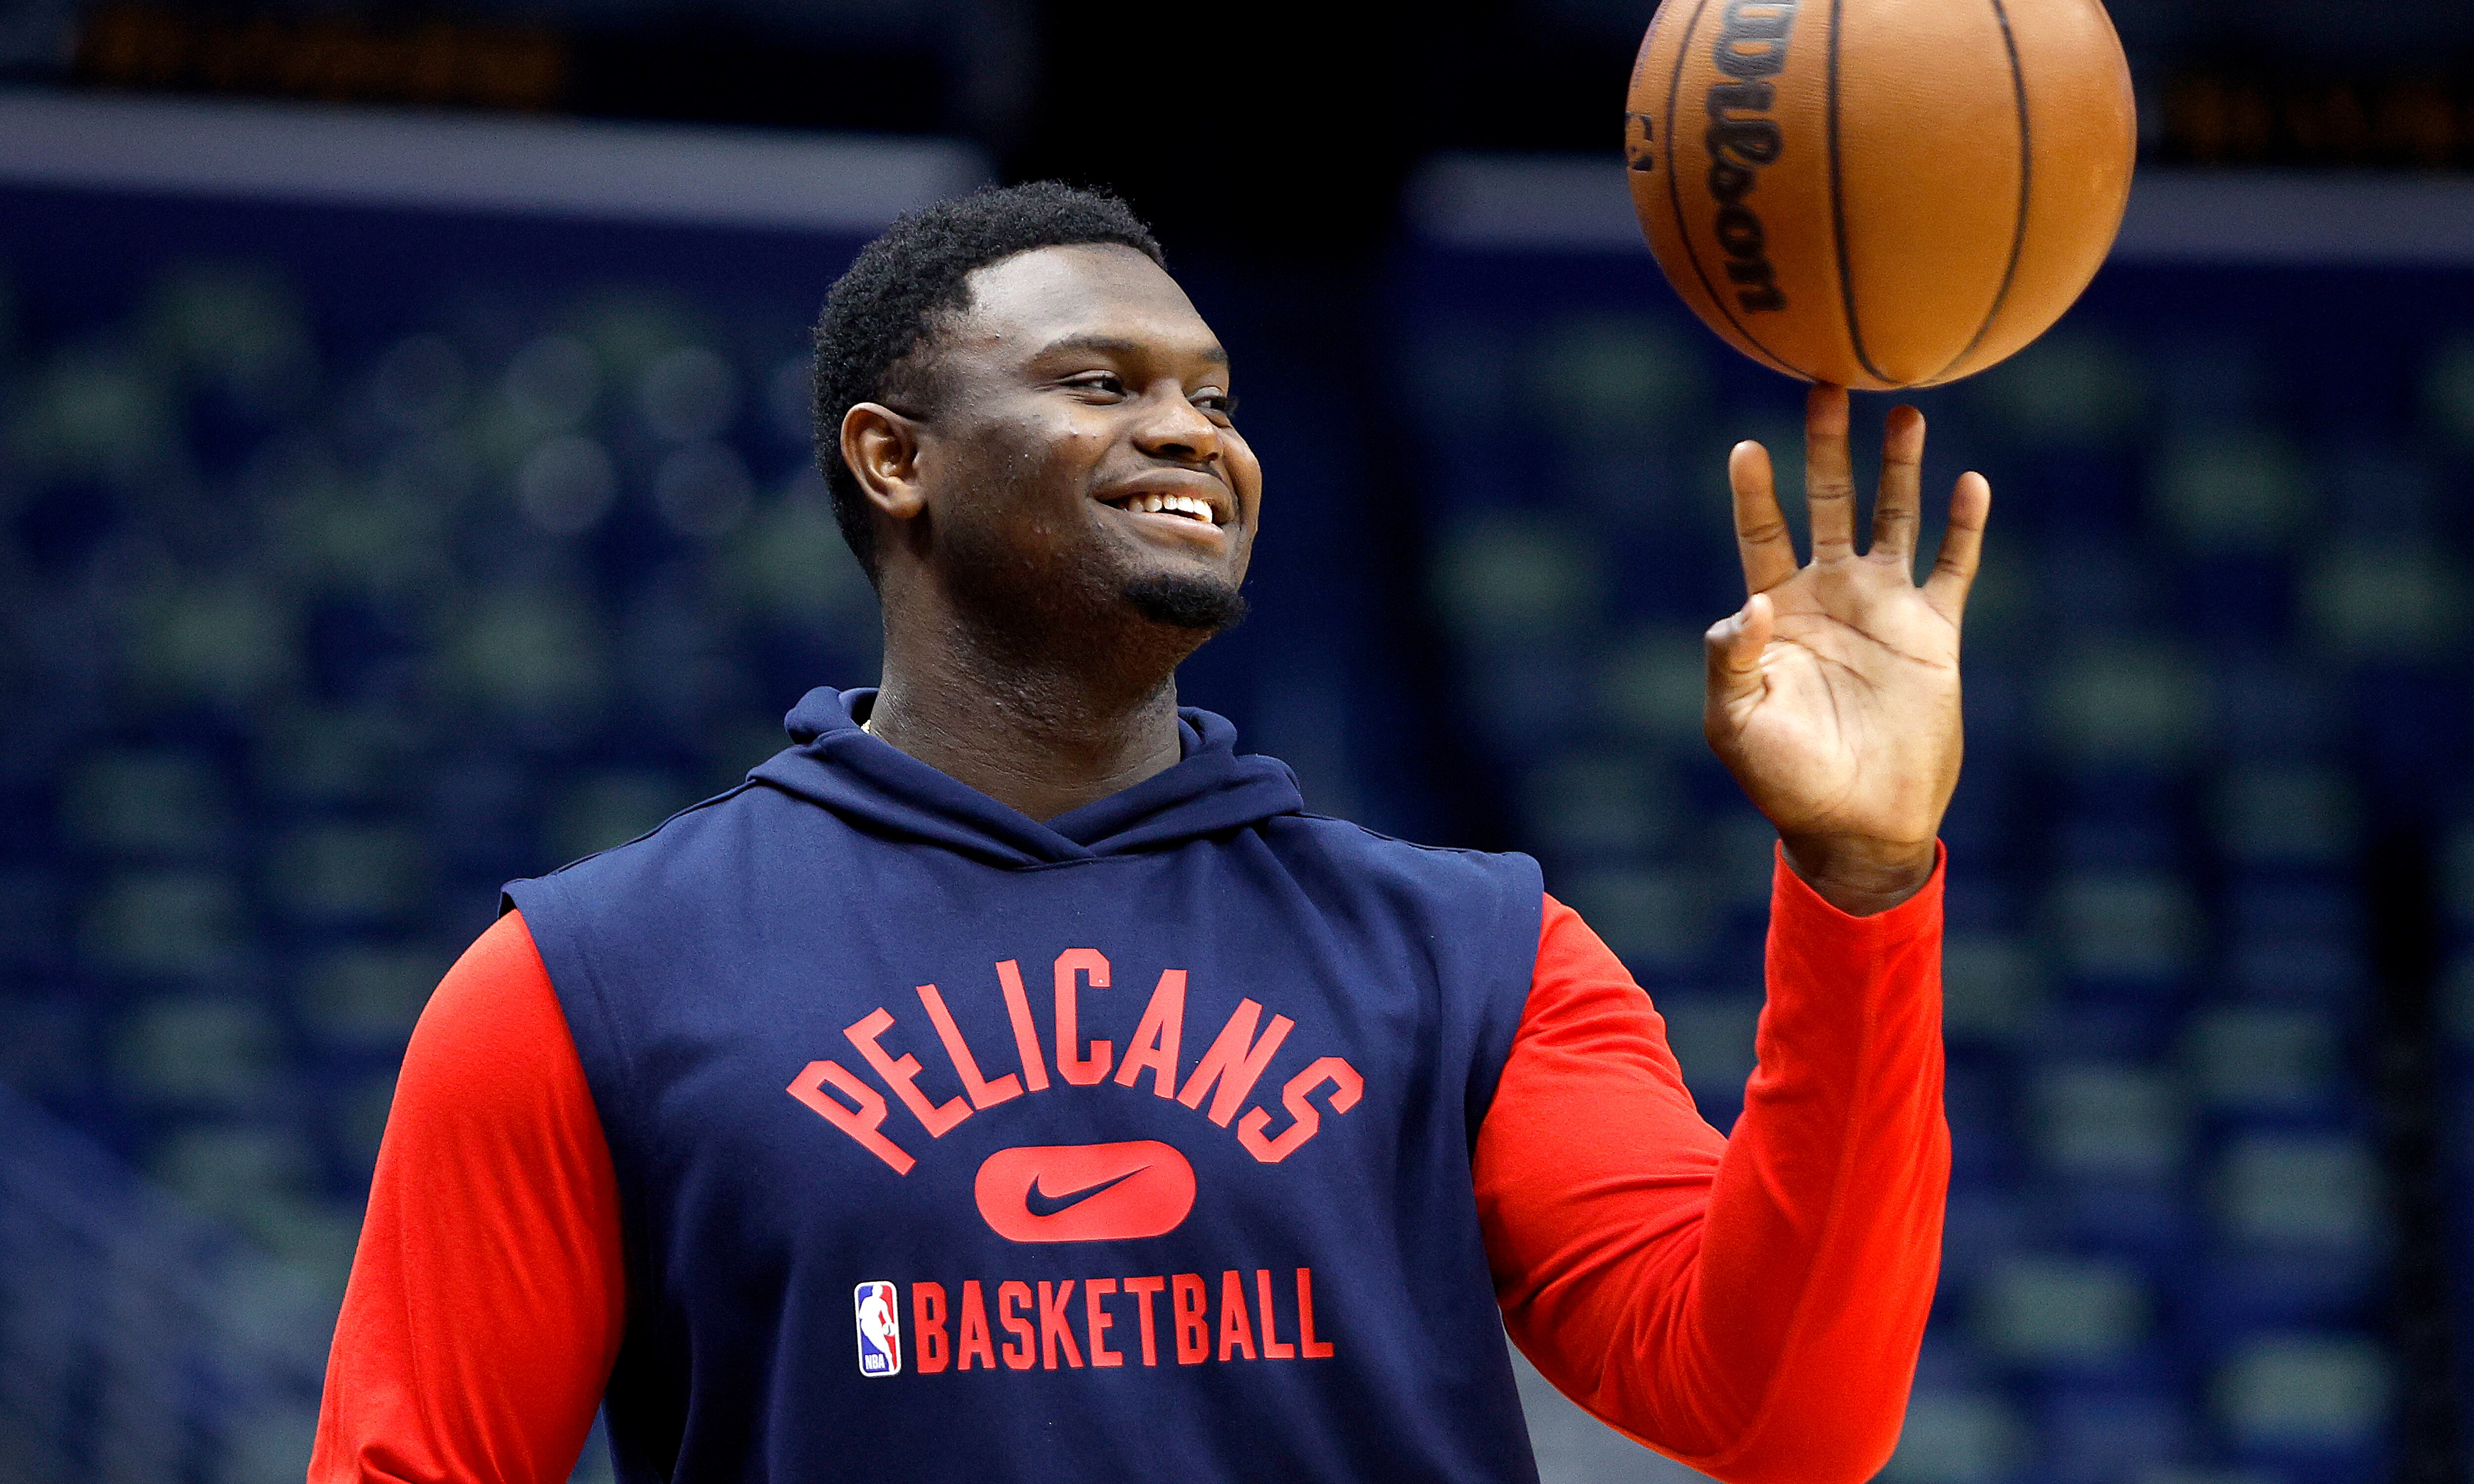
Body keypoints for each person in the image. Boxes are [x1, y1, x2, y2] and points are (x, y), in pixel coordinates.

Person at [310, 182, 1986, 1484]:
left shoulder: (1477, 957)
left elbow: (1784, 1416)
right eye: (1101, 384)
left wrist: (1863, 889)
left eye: (1215, 397)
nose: (1194, 431)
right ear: (897, 461)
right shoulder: (585, 985)